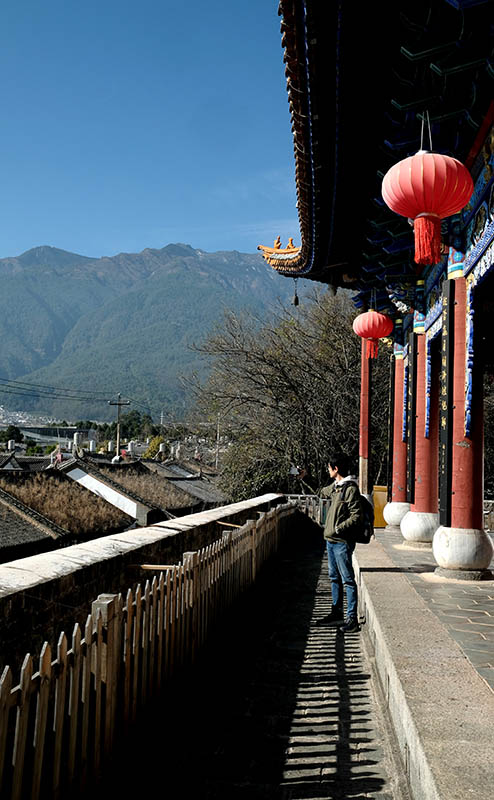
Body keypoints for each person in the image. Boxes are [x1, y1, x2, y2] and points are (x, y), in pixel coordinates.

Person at [319, 453, 363, 633]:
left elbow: (356, 515)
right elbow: (321, 491)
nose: (328, 470)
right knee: (334, 578)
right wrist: (304, 477)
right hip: (331, 541)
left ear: (336, 469)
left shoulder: (350, 489)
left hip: (341, 541)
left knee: (347, 580)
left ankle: (351, 618)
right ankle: (336, 612)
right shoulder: (336, 487)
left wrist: (339, 528)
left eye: (329, 468)